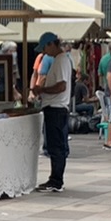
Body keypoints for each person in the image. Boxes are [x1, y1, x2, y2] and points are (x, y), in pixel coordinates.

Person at [30, 31, 73, 190]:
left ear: (51, 44)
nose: (43, 53)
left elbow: (61, 86)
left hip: (56, 108)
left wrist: (42, 90)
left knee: (56, 147)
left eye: (44, 48)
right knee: (56, 146)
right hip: (55, 108)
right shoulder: (59, 60)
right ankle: (55, 179)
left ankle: (56, 180)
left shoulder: (61, 60)